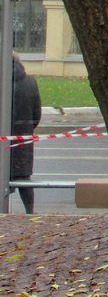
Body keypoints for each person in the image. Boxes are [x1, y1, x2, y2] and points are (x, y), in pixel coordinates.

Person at [11, 53, 42, 213]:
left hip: (3, 138)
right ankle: (30, 211)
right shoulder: (30, 82)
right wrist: (26, 129)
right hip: (23, 137)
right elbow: (36, 114)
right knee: (23, 178)